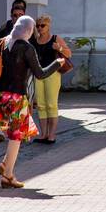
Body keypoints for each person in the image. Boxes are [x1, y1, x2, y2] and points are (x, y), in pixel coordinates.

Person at [0, 15, 64, 186]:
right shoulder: (27, 48)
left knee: (12, 133)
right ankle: (8, 173)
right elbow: (40, 74)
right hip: (17, 97)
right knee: (16, 135)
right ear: (29, 30)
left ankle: (6, 168)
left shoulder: (4, 42)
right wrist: (57, 63)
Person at [31, 15, 72, 144]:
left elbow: (68, 53)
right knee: (41, 105)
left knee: (51, 104)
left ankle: (52, 135)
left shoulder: (55, 39)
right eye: (38, 26)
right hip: (38, 74)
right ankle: (43, 134)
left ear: (48, 26)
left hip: (53, 74)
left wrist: (58, 48)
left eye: (42, 25)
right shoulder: (34, 41)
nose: (39, 28)